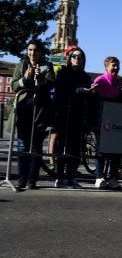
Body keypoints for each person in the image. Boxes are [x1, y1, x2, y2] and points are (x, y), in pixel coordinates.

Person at [11, 39, 55, 190]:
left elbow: (50, 84)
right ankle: (21, 179)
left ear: (41, 52)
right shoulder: (21, 65)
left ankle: (32, 179)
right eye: (30, 50)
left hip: (40, 112)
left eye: (35, 50)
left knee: (36, 147)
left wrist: (41, 78)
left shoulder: (47, 66)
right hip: (23, 111)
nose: (32, 53)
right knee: (23, 146)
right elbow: (14, 85)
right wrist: (25, 79)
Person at [53, 45, 93, 188]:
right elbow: (60, 93)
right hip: (65, 113)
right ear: (69, 59)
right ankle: (60, 177)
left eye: (80, 57)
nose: (77, 59)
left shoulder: (85, 76)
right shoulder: (63, 73)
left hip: (78, 113)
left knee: (76, 147)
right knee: (62, 146)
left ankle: (71, 176)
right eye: (75, 56)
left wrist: (89, 92)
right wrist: (76, 90)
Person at [92, 56, 122, 189]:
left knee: (115, 150)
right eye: (113, 65)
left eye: (117, 65)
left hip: (116, 119)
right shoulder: (100, 80)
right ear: (106, 66)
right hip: (102, 118)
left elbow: (121, 98)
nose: (116, 68)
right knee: (102, 149)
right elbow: (104, 95)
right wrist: (119, 92)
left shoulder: (119, 81)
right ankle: (99, 177)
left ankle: (113, 178)